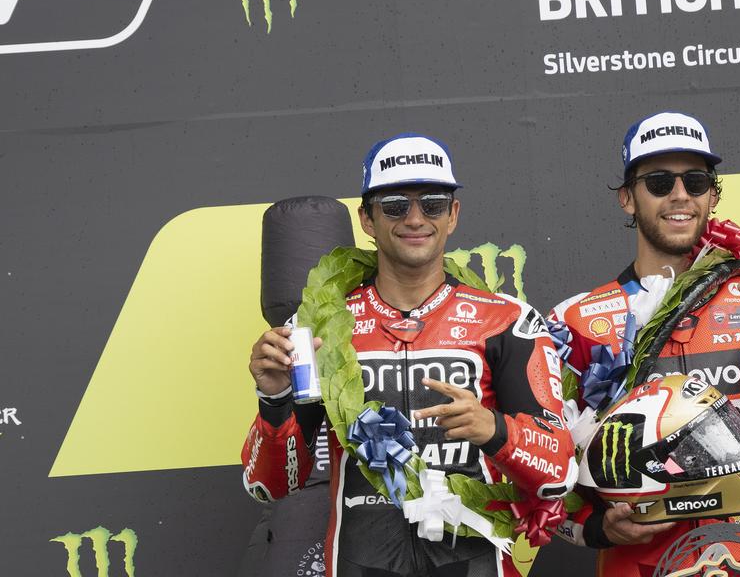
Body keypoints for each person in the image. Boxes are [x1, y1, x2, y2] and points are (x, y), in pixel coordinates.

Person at [241, 133, 576, 577]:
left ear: (453, 215)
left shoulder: (507, 321)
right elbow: (270, 486)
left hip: (475, 562)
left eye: (433, 204)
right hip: (361, 562)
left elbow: (558, 471)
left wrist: (494, 430)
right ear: (367, 219)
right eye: (396, 205)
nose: (415, 218)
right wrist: (274, 399)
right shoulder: (323, 327)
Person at [549, 112, 740, 577]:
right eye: (660, 181)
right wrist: (596, 527)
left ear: (713, 194)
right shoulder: (577, 322)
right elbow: (538, 474)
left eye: (696, 180)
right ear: (627, 198)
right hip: (640, 564)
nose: (680, 195)